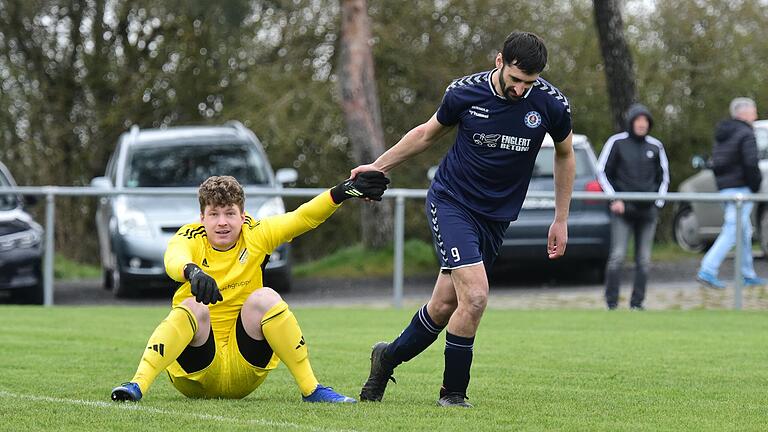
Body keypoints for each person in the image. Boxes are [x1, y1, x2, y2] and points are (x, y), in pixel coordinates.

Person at [353, 31, 575, 407]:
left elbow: (565, 155)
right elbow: (425, 135)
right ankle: (453, 394)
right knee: (475, 297)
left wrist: (561, 219)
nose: (521, 89)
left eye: (530, 82)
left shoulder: (552, 104)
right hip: (452, 201)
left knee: (443, 306)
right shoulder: (464, 93)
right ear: (499, 61)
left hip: (496, 218)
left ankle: (386, 358)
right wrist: (377, 167)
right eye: (516, 79)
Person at [111, 172, 389, 403]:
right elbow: (173, 258)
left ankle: (312, 389)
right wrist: (192, 271)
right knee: (194, 306)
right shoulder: (190, 236)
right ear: (202, 218)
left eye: (230, 213)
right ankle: (137, 385)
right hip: (194, 373)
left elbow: (303, 217)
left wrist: (342, 191)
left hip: (245, 371)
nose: (222, 222)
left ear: (243, 215)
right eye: (214, 214)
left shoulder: (257, 234)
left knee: (265, 297)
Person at [596, 104, 670, 310]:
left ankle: (637, 303)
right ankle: (611, 303)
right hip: (622, 211)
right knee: (617, 256)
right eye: (638, 121)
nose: (641, 125)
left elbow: (663, 177)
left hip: (648, 212)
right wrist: (614, 199)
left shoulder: (656, 146)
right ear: (631, 122)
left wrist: (658, 202)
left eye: (645, 121)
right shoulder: (616, 142)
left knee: (644, 260)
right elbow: (602, 171)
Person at [696, 97, 766, 289]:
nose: (756, 115)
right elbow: (751, 163)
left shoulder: (723, 134)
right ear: (744, 113)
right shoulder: (746, 134)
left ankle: (748, 274)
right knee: (732, 231)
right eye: (754, 111)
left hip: (726, 188)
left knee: (743, 231)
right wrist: (755, 184)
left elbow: (717, 163)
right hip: (742, 189)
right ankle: (707, 269)